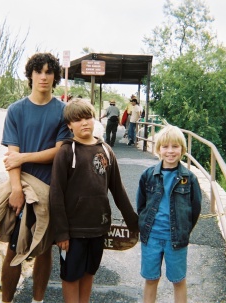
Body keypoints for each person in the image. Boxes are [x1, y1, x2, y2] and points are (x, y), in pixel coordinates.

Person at [50, 99, 139, 303]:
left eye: (87, 117)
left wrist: (133, 222)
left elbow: (118, 190)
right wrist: (61, 231)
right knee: (71, 276)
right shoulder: (66, 151)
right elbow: (56, 194)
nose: (84, 123)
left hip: (98, 227)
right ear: (69, 125)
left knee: (89, 272)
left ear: (94, 119)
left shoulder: (106, 150)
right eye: (78, 119)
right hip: (73, 232)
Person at [1, 52, 72, 303]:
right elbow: (12, 156)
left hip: (50, 190)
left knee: (44, 251)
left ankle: (37, 301)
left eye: (48, 72)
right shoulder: (16, 110)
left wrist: (23, 158)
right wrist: (15, 190)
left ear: (54, 77)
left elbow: (60, 151)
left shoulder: (63, 111)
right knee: (13, 249)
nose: (43, 76)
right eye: (38, 71)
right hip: (21, 186)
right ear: (30, 75)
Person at [136, 125, 202, 303]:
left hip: (176, 239)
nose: (170, 151)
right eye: (165, 147)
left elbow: (195, 209)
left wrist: (183, 230)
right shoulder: (148, 175)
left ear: (182, 149)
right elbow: (141, 205)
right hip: (151, 237)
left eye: (175, 146)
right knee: (151, 279)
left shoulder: (189, 178)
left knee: (178, 280)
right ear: (158, 149)